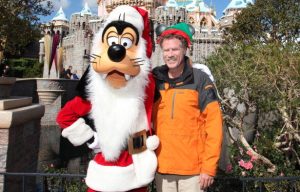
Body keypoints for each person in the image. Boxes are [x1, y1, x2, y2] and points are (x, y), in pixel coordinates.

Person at [152, 22, 223, 192]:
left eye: (175, 49)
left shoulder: (200, 80)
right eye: (166, 50)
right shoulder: (155, 81)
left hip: (193, 173)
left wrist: (209, 167)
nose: (170, 54)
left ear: (185, 50)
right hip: (162, 170)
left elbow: (214, 127)